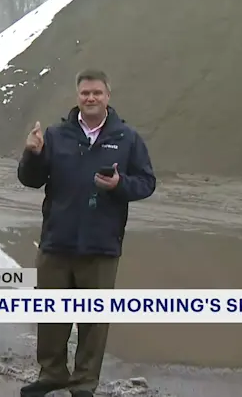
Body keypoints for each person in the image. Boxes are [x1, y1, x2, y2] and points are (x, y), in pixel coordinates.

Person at [17, 69, 157, 397]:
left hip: (101, 244)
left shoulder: (127, 138)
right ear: (77, 96)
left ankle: (83, 384)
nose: (90, 98)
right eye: (84, 93)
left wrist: (121, 185)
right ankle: (52, 374)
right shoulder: (55, 135)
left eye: (96, 93)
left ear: (108, 96)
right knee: (51, 316)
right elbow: (31, 179)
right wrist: (32, 154)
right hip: (57, 241)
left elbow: (147, 182)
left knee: (93, 322)